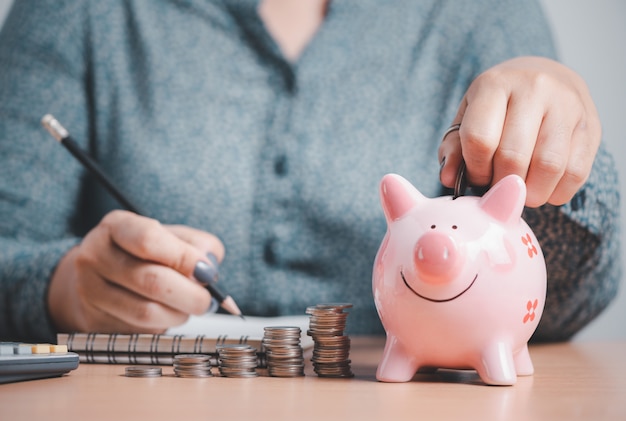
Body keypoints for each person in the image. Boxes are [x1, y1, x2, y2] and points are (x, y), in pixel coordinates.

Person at [0, 0, 620, 344]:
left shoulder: (483, 14)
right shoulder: (76, 10)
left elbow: (564, 307)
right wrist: (63, 287)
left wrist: (566, 176)